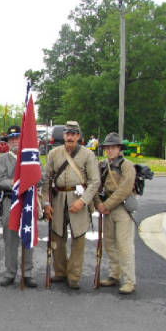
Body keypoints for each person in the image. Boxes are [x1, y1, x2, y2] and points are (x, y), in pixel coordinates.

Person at [41, 121, 99, 289]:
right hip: (58, 198)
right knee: (57, 236)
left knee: (78, 238)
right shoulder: (53, 154)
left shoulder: (88, 155)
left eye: (74, 134)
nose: (70, 137)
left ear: (79, 136)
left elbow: (94, 182)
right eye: (67, 134)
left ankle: (74, 276)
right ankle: (60, 272)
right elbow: (46, 181)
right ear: (64, 135)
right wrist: (45, 203)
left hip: (78, 197)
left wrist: (82, 202)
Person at [0, 125, 37, 288]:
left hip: (27, 201)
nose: (14, 141)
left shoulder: (31, 157)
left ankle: (28, 273)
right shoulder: (2, 159)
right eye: (11, 139)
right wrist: (15, 184)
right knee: (10, 239)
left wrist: (29, 180)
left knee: (27, 237)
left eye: (17, 138)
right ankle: (10, 272)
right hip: (9, 201)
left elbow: (42, 176)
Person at [95, 132, 137, 295]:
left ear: (119, 148)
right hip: (106, 206)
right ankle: (114, 274)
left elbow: (125, 189)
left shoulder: (127, 165)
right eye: (107, 148)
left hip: (121, 207)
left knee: (124, 245)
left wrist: (107, 205)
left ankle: (129, 280)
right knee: (109, 243)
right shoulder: (102, 165)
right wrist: (99, 204)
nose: (110, 150)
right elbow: (95, 185)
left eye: (113, 147)